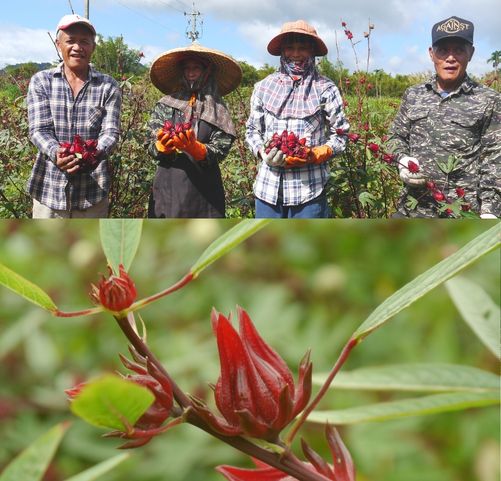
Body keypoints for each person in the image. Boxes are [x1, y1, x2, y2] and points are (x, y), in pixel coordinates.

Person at [388, 16, 500, 218]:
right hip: (413, 209)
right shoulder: (414, 95)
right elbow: (395, 136)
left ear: (471, 53)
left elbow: (495, 159)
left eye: (458, 50)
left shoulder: (488, 100)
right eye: (443, 50)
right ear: (431, 54)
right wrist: (402, 159)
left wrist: (490, 210)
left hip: (461, 213)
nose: (450, 58)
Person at [245, 20, 349, 218]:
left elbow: (341, 134)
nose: (296, 54)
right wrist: (261, 152)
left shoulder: (325, 88)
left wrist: (319, 152)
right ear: (282, 51)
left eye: (302, 48)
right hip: (268, 190)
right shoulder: (264, 86)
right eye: (290, 48)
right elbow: (252, 130)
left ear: (312, 52)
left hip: (308, 192)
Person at [26, 14, 121, 218]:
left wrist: (90, 155)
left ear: (93, 47)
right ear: (58, 44)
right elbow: (38, 130)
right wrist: (56, 152)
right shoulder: (42, 81)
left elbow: (110, 133)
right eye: (70, 41)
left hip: (92, 194)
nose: (78, 47)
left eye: (84, 42)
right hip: (49, 192)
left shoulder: (108, 86)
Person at [147, 43, 242, 218]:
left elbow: (221, 148)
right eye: (187, 68)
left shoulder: (217, 109)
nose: (191, 73)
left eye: (196, 68)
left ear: (207, 71)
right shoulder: (166, 104)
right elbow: (150, 141)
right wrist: (161, 148)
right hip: (169, 185)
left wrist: (197, 149)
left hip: (204, 188)